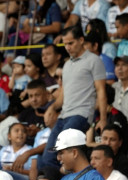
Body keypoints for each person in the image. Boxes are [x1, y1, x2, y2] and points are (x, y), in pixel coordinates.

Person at [39, 25, 107, 170]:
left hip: (81, 114)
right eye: (65, 44)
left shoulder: (94, 60)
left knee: (67, 154)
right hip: (63, 116)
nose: (68, 47)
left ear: (81, 40)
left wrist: (103, 119)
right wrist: (51, 107)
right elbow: (63, 94)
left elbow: (101, 91)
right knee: (48, 158)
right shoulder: (67, 65)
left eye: (71, 43)